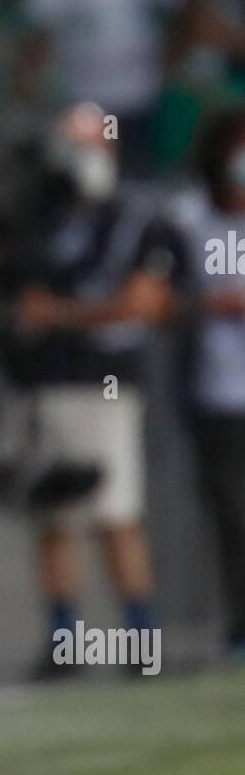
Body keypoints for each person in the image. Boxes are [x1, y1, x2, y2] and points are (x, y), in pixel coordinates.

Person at [0, 103, 186, 681]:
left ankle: (140, 638)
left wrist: (58, 314)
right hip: (36, 380)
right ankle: (65, 640)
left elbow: (145, 302)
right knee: (53, 513)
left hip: (100, 382)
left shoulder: (135, 217)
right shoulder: (34, 213)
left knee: (113, 510)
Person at [16, 0, 187, 173]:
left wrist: (171, 55)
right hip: (83, 96)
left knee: (133, 176)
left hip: (137, 95)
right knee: (87, 179)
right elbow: (41, 22)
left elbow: (179, 3)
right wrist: (26, 71)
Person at [173, 107, 245, 655]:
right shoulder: (187, 217)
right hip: (218, 392)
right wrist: (204, 304)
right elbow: (159, 296)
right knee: (231, 513)